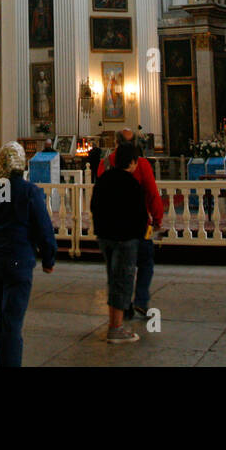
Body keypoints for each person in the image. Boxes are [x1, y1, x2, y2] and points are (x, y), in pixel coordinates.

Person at [0, 142, 57, 367]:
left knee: (4, 312)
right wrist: (48, 258)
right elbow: (43, 227)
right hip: (18, 260)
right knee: (12, 320)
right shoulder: (29, 191)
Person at [98, 128, 164, 317]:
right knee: (145, 261)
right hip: (139, 225)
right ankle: (141, 300)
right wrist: (157, 219)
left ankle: (122, 306)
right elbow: (152, 194)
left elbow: (100, 195)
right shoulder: (141, 164)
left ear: (115, 143)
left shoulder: (105, 164)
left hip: (110, 226)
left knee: (114, 268)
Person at [91, 142, 146, 344]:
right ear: (132, 162)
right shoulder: (131, 184)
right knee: (122, 280)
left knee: (113, 278)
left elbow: (94, 205)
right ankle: (116, 327)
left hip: (105, 237)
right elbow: (140, 214)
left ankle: (115, 323)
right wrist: (140, 233)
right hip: (125, 239)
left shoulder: (104, 179)